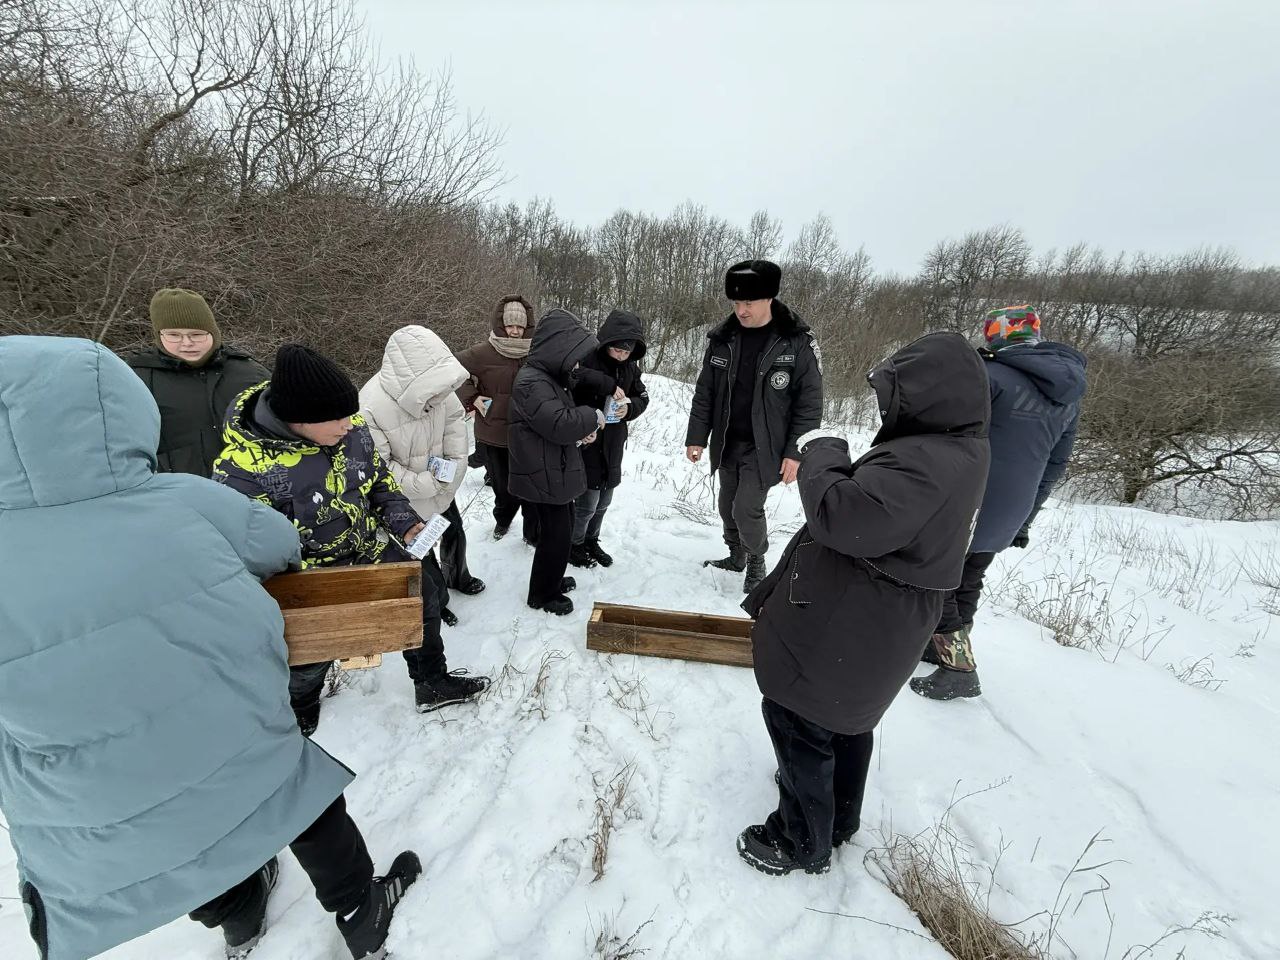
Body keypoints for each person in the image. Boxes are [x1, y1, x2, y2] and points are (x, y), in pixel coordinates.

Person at [0, 336, 419, 960]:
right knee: (289, 794)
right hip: (223, 717)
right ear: (114, 412)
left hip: (86, 785)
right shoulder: (186, 499)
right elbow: (277, 546)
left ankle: (238, 912)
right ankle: (360, 906)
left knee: (175, 839)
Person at [738, 332, 991, 876]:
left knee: (798, 717)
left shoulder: (927, 462)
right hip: (877, 622)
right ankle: (839, 818)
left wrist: (824, 453)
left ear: (929, 396)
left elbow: (843, 516)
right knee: (844, 722)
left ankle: (800, 838)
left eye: (895, 395)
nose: (885, 406)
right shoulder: (958, 448)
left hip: (851, 619)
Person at [213, 343, 489, 728]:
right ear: (299, 418)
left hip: (366, 549)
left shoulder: (352, 431)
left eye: (349, 415)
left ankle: (431, 683)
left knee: (423, 596)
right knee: (312, 650)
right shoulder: (242, 470)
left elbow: (379, 483)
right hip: (307, 579)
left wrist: (405, 523)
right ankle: (301, 704)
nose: (350, 424)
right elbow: (247, 551)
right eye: (338, 419)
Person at [912, 305, 1087, 701]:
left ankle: (958, 667)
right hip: (1012, 504)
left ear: (994, 335)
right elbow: (1055, 465)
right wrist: (1025, 516)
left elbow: (945, 436)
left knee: (933, 580)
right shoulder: (1067, 395)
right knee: (968, 577)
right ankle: (939, 648)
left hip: (966, 499)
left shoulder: (988, 376)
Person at [685, 259, 823, 593]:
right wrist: (697, 437)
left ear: (769, 299)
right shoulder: (723, 339)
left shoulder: (796, 342)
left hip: (768, 446)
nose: (741, 310)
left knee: (747, 508)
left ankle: (756, 559)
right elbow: (705, 392)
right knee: (726, 506)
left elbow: (810, 403)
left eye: (749, 303)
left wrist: (795, 452)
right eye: (736, 303)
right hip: (729, 440)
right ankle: (736, 555)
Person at [359, 325, 487, 622]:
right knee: (422, 554)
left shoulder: (440, 387)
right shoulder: (370, 407)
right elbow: (379, 468)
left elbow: (456, 424)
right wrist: (426, 484)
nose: (440, 398)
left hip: (442, 488)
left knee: (454, 533)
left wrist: (452, 470)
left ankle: (458, 577)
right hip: (405, 502)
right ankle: (438, 601)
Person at [508, 308, 604, 615]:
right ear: (558, 350)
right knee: (556, 534)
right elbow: (558, 423)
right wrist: (592, 416)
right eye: (574, 355)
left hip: (550, 465)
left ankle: (551, 579)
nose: (577, 364)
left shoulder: (546, 377)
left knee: (559, 531)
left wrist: (579, 437)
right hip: (543, 471)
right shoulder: (531, 382)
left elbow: (550, 427)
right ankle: (542, 594)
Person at [125, 287, 269, 477]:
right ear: (159, 336)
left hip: (254, 491)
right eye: (174, 335)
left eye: (197, 334)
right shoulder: (135, 379)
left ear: (213, 333)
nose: (187, 343)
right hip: (176, 494)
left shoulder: (251, 373)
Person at [567, 309, 650, 569]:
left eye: (627, 353)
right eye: (617, 351)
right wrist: (609, 386)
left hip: (614, 442)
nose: (621, 356)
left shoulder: (630, 368)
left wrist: (631, 408)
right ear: (607, 344)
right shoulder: (587, 357)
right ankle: (575, 544)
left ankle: (592, 540)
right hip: (589, 440)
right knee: (587, 502)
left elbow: (642, 396)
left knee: (604, 500)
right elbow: (575, 377)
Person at [455, 295, 538, 542]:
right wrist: (472, 397)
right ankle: (503, 521)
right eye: (510, 326)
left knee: (532, 487)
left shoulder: (535, 352)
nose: (514, 332)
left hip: (529, 433)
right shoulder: (483, 352)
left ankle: (532, 533)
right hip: (494, 433)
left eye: (520, 327)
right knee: (502, 487)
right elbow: (453, 369)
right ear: (500, 325)